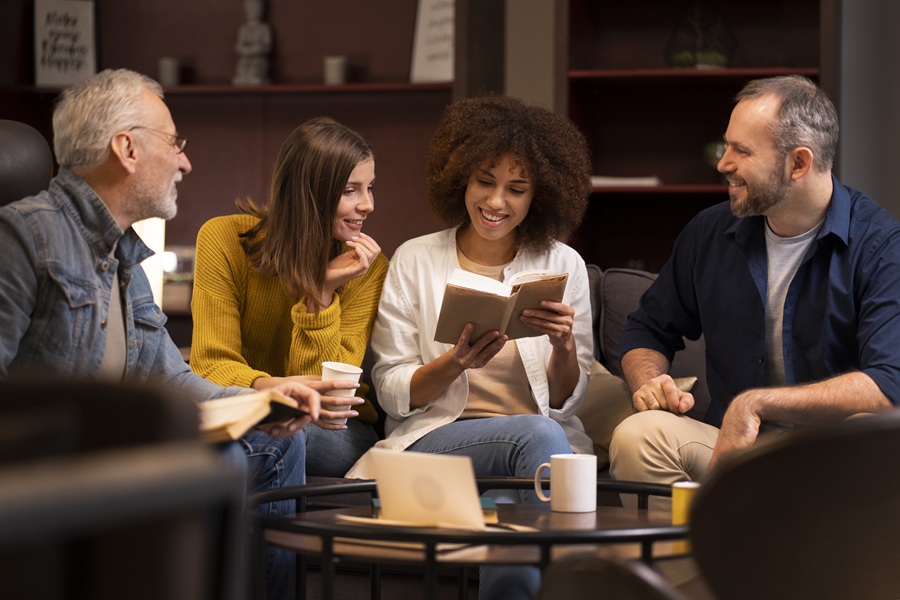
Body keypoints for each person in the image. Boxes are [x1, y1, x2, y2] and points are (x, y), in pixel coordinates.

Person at [0, 68, 335, 600]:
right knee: (221, 462)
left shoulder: (126, 257)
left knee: (272, 445)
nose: (185, 161)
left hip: (109, 460)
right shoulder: (24, 235)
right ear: (126, 148)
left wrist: (261, 396)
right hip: (47, 474)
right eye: (175, 142)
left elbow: (175, 379)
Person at [345, 95, 594, 600]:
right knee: (540, 438)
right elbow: (391, 389)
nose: (496, 202)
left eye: (516, 189)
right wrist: (453, 363)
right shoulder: (415, 259)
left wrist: (564, 346)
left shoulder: (563, 263)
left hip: (531, 454)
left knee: (514, 497)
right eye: (485, 181)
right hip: (441, 439)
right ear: (459, 177)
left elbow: (570, 398)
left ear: (537, 196)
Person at [609, 75, 900, 502]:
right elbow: (647, 330)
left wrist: (757, 403)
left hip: (832, 456)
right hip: (732, 449)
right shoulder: (709, 232)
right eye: (727, 145)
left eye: (741, 151)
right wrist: (650, 380)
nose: (724, 163)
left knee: (868, 439)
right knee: (639, 435)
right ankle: (685, 572)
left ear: (798, 163)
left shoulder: (881, 245)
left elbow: (888, 383)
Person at [189, 116, 386, 478]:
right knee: (263, 431)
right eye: (350, 190)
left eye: (370, 188)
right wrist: (278, 391)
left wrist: (321, 292)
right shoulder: (223, 240)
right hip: (249, 408)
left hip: (335, 430)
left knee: (289, 432)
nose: (368, 204)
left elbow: (327, 396)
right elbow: (210, 366)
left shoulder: (367, 267)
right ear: (307, 193)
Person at [232, 0, 273, 85]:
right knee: (242, 69)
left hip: (258, 58)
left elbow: (267, 46)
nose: (253, 11)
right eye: (250, 9)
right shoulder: (244, 29)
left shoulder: (264, 28)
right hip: (245, 58)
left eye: (256, 9)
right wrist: (246, 50)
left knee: (255, 70)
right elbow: (239, 46)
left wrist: (257, 49)